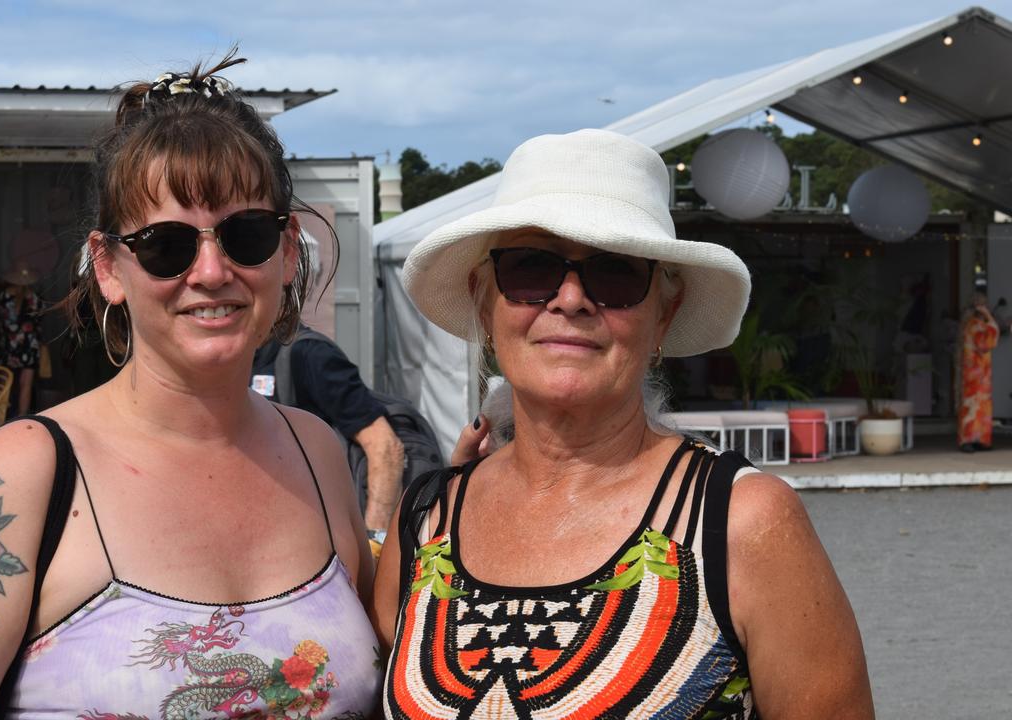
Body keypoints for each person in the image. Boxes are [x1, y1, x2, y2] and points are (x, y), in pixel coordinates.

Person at [0, 52, 379, 719]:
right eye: (167, 244)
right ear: (109, 267)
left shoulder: (318, 454)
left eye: (245, 234)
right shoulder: (19, 476)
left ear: (286, 252)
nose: (211, 270)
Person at [371, 130, 873, 719]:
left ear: (664, 316)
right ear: (486, 305)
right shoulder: (425, 521)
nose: (571, 298)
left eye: (614, 274)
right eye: (532, 268)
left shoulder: (745, 523)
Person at [253, 323, 406, 534]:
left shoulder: (310, 354)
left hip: (314, 535)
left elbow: (386, 448)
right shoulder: (236, 358)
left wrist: (375, 543)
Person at [0, 265, 43, 416]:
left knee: (5, 384)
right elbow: (40, 321)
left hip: (8, 345)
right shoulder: (36, 298)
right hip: (30, 346)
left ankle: (1, 417)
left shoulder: (4, 296)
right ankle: (22, 418)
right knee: (26, 386)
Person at [958, 291, 1001, 452]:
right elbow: (986, 342)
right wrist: (989, 316)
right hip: (976, 372)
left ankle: (978, 439)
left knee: (978, 404)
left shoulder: (972, 323)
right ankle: (969, 439)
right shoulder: (975, 324)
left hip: (978, 371)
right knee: (975, 404)